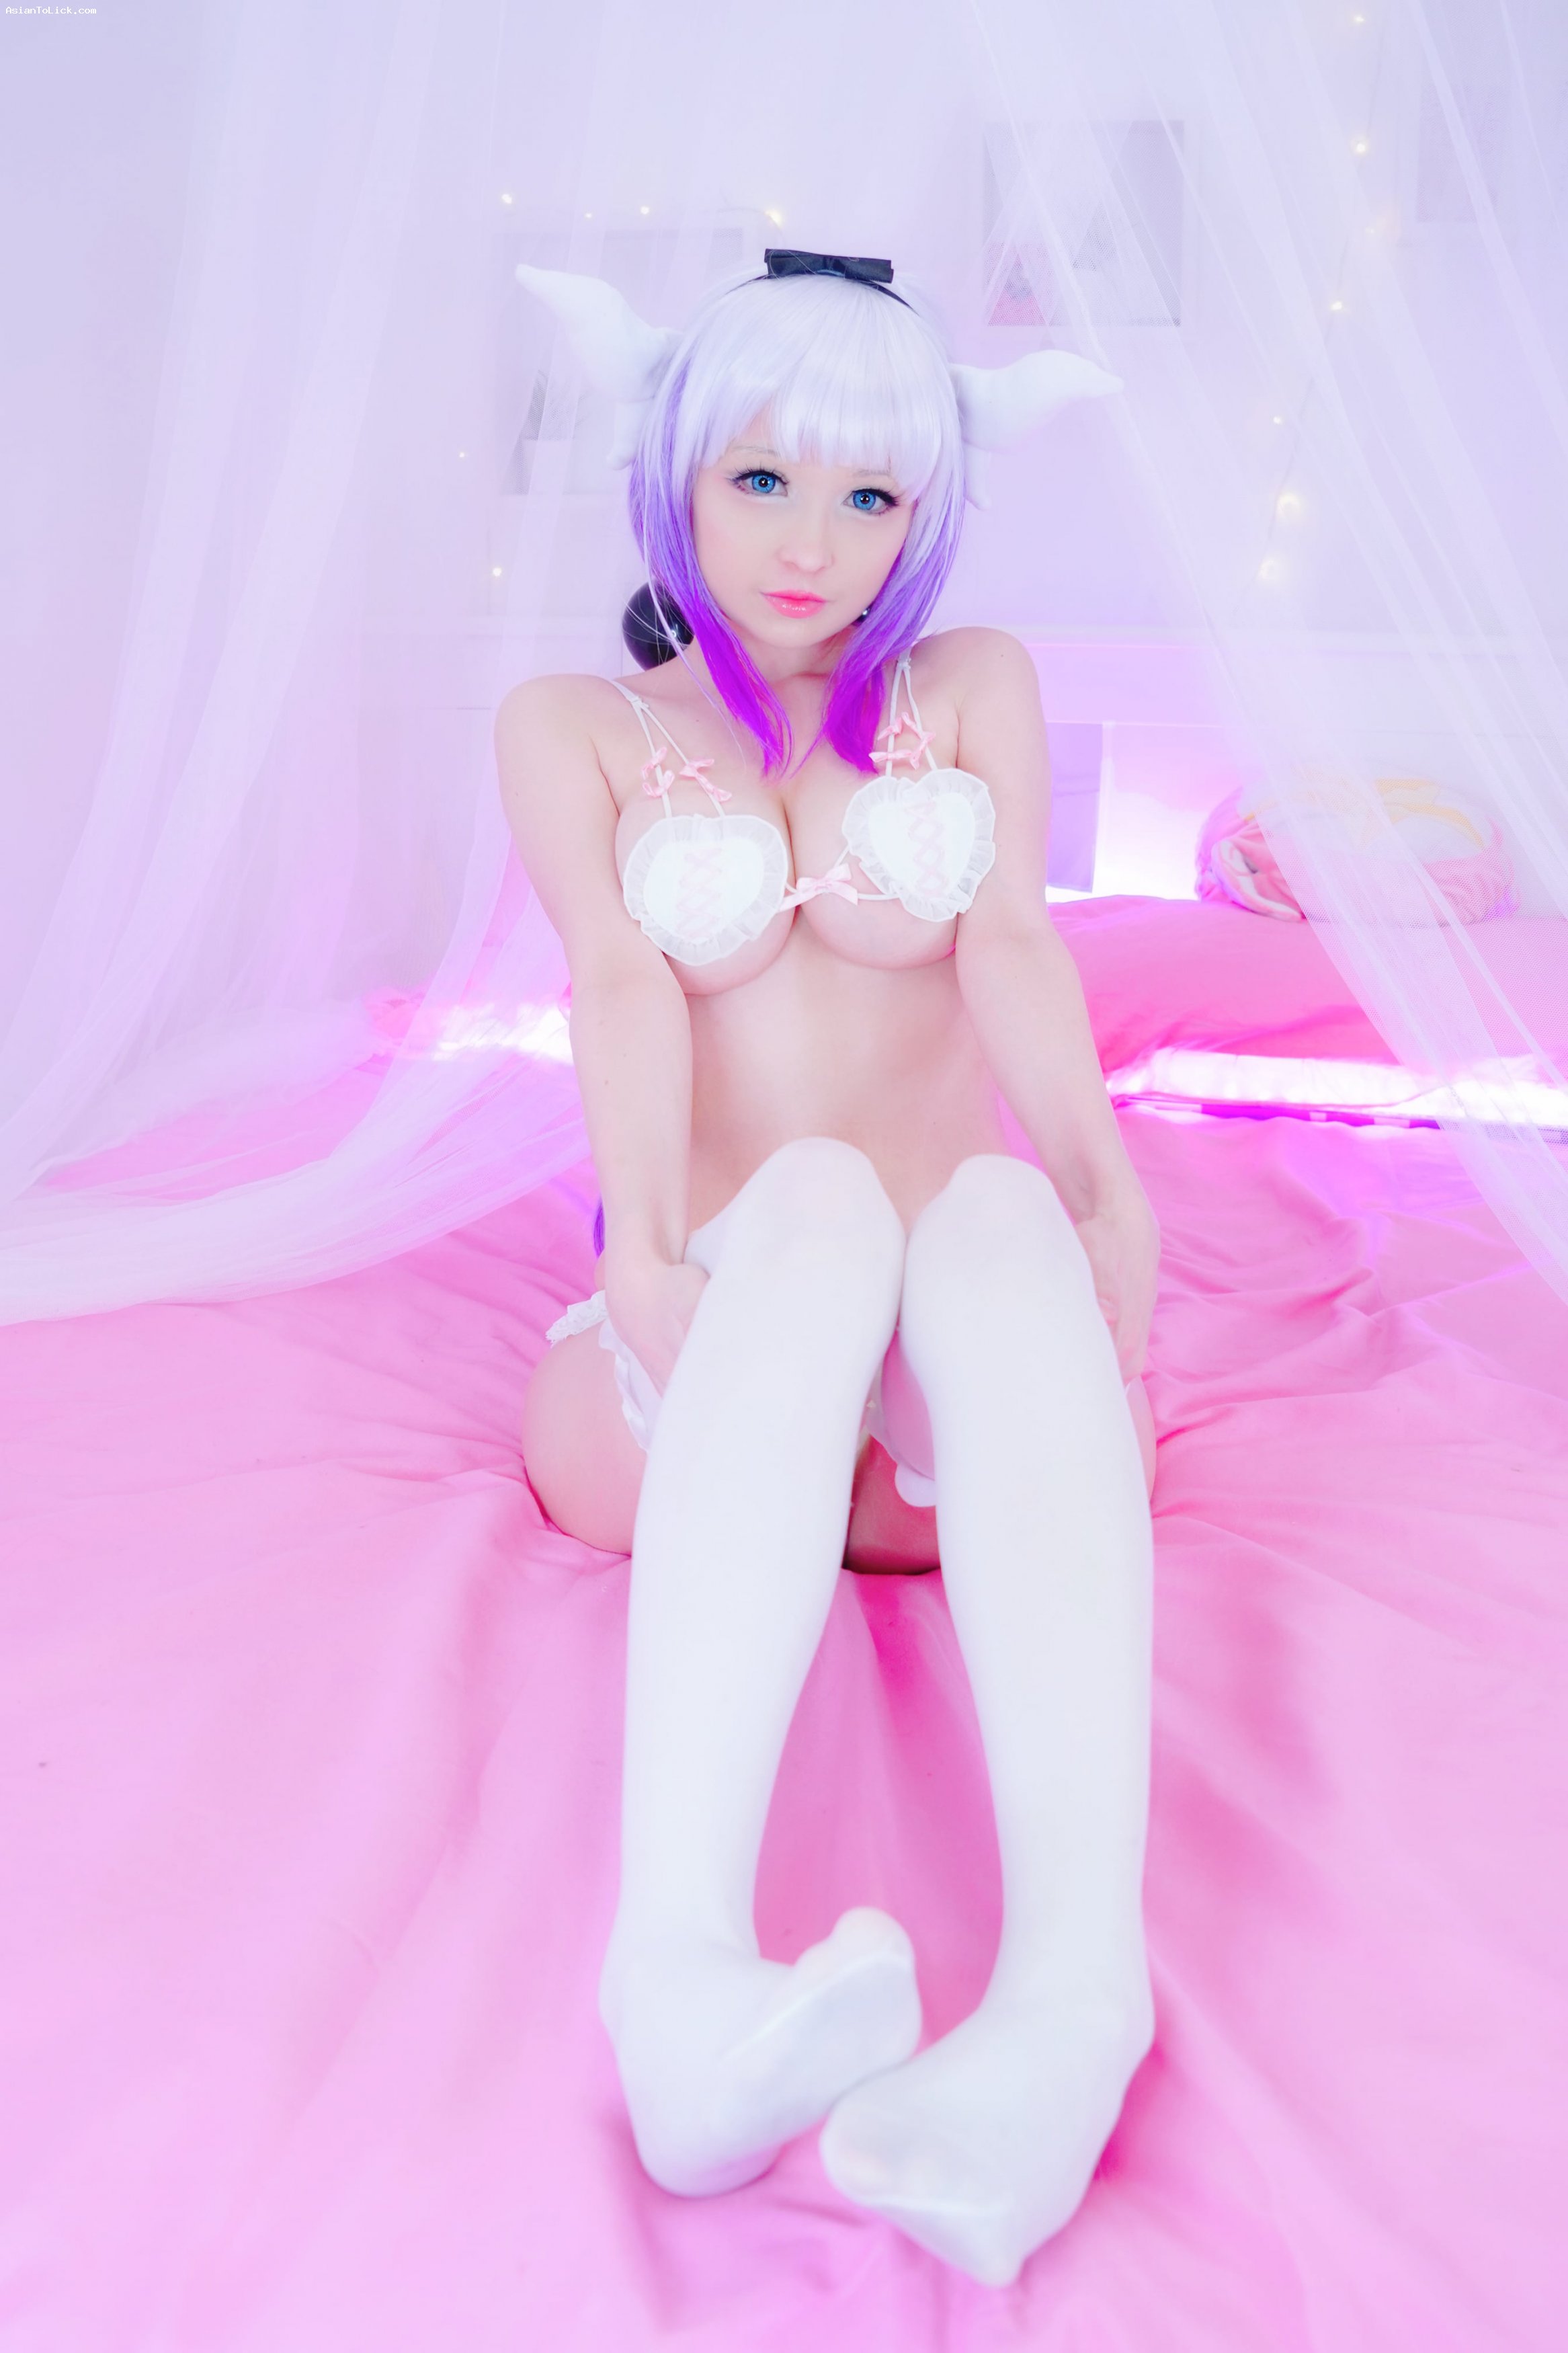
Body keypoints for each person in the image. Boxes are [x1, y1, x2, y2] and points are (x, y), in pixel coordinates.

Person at [495, 251, 1160, 2288]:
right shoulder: (575, 728)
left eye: (871, 494)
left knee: (980, 1217)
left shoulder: (973, 689)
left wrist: (1102, 1194)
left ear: (928, 509)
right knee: (818, 1207)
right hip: (710, 1348)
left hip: (943, 1417)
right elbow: (622, 982)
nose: (813, 543)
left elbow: (1013, 942)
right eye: (763, 480)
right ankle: (681, 1977)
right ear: (678, 474)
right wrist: (641, 1252)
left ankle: (1075, 1994)